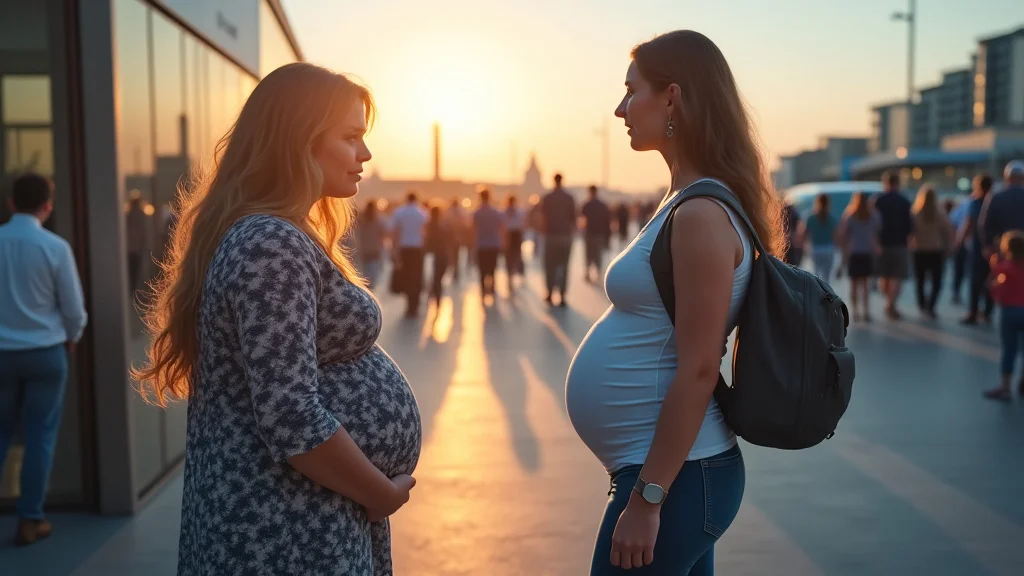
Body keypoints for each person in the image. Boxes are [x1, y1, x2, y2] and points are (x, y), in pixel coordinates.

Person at [132, 63, 421, 575]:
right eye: (351, 137)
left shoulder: (278, 234)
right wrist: (382, 494)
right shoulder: (270, 245)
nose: (366, 154)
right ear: (300, 140)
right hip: (282, 530)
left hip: (300, 516)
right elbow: (291, 416)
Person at [567, 30, 785, 574]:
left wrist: (648, 498)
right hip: (674, 472)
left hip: (677, 477)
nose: (620, 109)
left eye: (630, 91)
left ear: (672, 96)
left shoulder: (702, 215)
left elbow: (698, 369)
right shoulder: (686, 200)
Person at [0, 173, 88, 546]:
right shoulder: (55, 247)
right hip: (45, 355)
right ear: (47, 206)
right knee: (39, 438)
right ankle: (30, 520)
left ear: (11, 203)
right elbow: (73, 309)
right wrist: (72, 337)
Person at [984, 231, 1024, 401]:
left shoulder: (1004, 267)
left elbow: (992, 285)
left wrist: (993, 266)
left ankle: (1005, 386)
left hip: (1009, 311)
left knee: (1009, 350)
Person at [910, 185, 954, 319]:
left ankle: (922, 305)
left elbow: (910, 232)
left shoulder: (915, 214)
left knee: (920, 281)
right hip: (936, 251)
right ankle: (931, 306)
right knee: (936, 281)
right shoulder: (940, 214)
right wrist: (948, 248)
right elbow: (948, 232)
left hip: (919, 250)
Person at [874, 171, 913, 320]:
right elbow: (910, 224)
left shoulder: (878, 201)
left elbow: (873, 224)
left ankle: (888, 301)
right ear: (898, 183)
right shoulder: (904, 201)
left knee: (884, 275)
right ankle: (891, 303)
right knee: (897, 276)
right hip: (900, 243)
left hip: (882, 244)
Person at [957, 174, 995, 324]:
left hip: (977, 247)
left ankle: (973, 311)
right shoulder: (995, 201)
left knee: (975, 281)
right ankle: (987, 312)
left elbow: (969, 223)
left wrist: (959, 241)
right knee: (991, 279)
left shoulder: (975, 202)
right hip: (994, 247)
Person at [838, 192, 880, 322]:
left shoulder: (850, 215)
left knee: (854, 284)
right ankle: (866, 311)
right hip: (867, 252)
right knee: (866, 284)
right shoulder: (872, 215)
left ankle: (855, 311)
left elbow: (843, 234)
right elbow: (877, 232)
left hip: (854, 252)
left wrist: (844, 250)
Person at [391, 191, 429, 317]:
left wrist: (394, 250)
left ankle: (409, 304)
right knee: (417, 276)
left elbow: (395, 233)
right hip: (418, 249)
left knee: (406, 276)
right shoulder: (422, 213)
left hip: (404, 248)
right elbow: (426, 232)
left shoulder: (399, 212)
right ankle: (415, 303)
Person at [541, 173, 577, 306]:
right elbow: (574, 218)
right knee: (564, 265)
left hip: (550, 236)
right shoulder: (569, 198)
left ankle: (550, 293)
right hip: (565, 236)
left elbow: (542, 218)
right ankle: (562, 294)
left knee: (550, 266)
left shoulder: (547, 198)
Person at [472, 187, 505, 303]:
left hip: (481, 244)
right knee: (492, 268)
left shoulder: (477, 212)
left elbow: (472, 229)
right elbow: (502, 227)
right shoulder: (495, 212)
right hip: (493, 244)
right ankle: (492, 288)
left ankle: (483, 290)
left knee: (482, 269)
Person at [798, 194, 838, 282]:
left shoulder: (811, 218)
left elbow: (803, 234)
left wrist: (802, 247)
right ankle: (827, 294)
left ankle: (818, 294)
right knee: (827, 278)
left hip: (816, 249)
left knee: (816, 275)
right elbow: (836, 236)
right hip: (828, 249)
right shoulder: (831, 218)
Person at [582, 185, 613, 283]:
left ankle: (587, 272)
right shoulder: (602, 205)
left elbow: (582, 220)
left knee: (589, 254)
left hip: (589, 233)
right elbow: (607, 221)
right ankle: (598, 274)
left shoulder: (587, 205)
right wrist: (608, 236)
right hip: (600, 234)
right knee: (598, 254)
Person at [424, 203, 452, 309]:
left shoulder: (428, 225)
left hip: (430, 255)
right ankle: (437, 298)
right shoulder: (443, 227)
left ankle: (431, 296)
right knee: (438, 279)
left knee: (431, 277)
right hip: (441, 255)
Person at [357, 199, 386, 289]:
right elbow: (383, 235)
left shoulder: (361, 220)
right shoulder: (379, 221)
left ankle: (368, 290)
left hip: (364, 250)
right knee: (373, 274)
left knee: (365, 274)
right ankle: (370, 291)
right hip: (375, 250)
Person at [504, 194, 526, 291]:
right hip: (512, 234)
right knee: (511, 255)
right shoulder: (514, 212)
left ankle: (518, 272)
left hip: (515, 234)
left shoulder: (518, 212)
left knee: (516, 255)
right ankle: (512, 274)